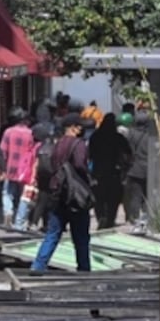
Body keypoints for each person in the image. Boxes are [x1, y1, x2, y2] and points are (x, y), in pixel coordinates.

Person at [30, 113, 92, 274]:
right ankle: (84, 269)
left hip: (58, 194)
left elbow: (52, 165)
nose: (81, 129)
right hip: (75, 196)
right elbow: (80, 165)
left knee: (53, 233)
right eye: (79, 126)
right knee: (81, 236)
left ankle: (38, 265)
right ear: (72, 127)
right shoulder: (78, 144)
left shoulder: (57, 144)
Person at [88, 112, 131, 229]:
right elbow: (128, 152)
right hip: (114, 172)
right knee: (113, 198)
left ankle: (101, 217)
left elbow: (90, 154)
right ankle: (110, 219)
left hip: (98, 172)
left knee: (99, 197)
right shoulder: (118, 137)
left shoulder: (95, 136)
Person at [0, 107, 35, 228]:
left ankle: (8, 212)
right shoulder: (30, 133)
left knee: (7, 193)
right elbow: (33, 152)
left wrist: (0, 168)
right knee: (24, 197)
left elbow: (2, 152)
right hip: (25, 171)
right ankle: (19, 222)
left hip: (10, 169)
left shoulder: (8, 132)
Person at [123, 110, 150, 227]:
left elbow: (126, 151)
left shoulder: (131, 134)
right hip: (149, 169)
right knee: (147, 196)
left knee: (135, 196)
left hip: (134, 169)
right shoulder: (151, 134)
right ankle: (147, 218)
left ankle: (134, 218)